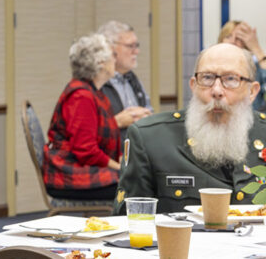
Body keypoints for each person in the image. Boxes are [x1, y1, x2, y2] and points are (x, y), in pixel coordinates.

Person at [113, 43, 266, 214]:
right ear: (193, 86)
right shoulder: (150, 138)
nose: (216, 90)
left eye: (231, 79)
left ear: (252, 92)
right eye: (207, 78)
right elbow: (128, 223)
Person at [43, 33, 121, 201]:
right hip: (68, 173)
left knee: (136, 180)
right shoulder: (82, 96)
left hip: (77, 168)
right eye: (113, 56)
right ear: (100, 63)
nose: (116, 60)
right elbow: (86, 151)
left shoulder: (93, 92)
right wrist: (120, 168)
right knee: (133, 185)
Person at [97, 20, 152, 140]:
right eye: (130, 46)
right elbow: (87, 134)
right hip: (110, 156)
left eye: (136, 46)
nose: (136, 52)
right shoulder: (96, 84)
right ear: (110, 48)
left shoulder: (132, 79)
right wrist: (117, 122)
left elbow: (149, 112)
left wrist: (146, 117)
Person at [218, 20, 266, 112]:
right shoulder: (211, 67)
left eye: (239, 38)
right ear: (221, 41)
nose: (232, 41)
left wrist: (256, 49)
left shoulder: (255, 69)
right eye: (228, 36)